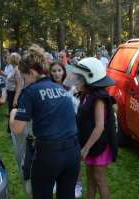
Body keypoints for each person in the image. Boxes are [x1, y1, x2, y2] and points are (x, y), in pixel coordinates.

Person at [10, 44, 80, 199]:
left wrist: (13, 113)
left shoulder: (30, 91)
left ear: (32, 72)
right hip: (72, 152)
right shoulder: (60, 89)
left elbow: (17, 129)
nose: (24, 81)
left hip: (49, 155)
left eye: (24, 77)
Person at [67, 57, 118, 199]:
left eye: (81, 77)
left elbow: (100, 126)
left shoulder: (99, 98)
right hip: (90, 143)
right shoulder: (86, 94)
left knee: (100, 179)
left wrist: (85, 148)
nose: (79, 79)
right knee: (90, 177)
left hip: (98, 144)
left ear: (91, 77)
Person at [49, 60, 83, 198]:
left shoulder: (71, 88)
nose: (57, 73)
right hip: (56, 127)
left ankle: (78, 184)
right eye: (54, 71)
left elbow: (79, 107)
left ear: (64, 71)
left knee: (74, 157)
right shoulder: (48, 88)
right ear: (49, 73)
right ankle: (58, 181)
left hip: (72, 126)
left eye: (59, 70)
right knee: (57, 156)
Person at [6, 52, 23, 133]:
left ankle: (14, 129)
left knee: (13, 112)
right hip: (10, 93)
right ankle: (11, 129)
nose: (8, 59)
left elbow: (19, 85)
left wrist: (15, 99)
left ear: (13, 59)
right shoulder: (13, 69)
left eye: (9, 58)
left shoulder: (17, 70)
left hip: (14, 94)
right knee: (10, 111)